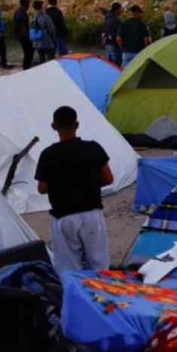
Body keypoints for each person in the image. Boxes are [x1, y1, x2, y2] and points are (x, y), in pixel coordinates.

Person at [35, 106, 114, 274]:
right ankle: (101, 297)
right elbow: (108, 178)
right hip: (92, 213)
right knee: (99, 264)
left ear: (53, 126)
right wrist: (87, 183)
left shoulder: (48, 154)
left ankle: (74, 297)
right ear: (77, 124)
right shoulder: (93, 148)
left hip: (64, 216)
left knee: (69, 268)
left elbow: (42, 188)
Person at [30, 0, 57, 64]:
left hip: (36, 42)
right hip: (47, 41)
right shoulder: (45, 17)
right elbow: (52, 29)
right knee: (51, 60)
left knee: (41, 59)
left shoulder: (32, 17)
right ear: (41, 7)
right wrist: (54, 39)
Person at [13, 0, 34, 70]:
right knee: (29, 52)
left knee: (28, 52)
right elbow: (23, 26)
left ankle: (26, 67)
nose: (29, 5)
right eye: (28, 3)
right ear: (25, 4)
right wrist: (28, 37)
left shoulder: (18, 11)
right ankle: (26, 68)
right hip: (24, 36)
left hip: (20, 36)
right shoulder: (22, 13)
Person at [102, 2, 122, 67]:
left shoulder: (107, 18)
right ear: (117, 10)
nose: (121, 11)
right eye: (120, 10)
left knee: (109, 65)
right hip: (114, 45)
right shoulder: (116, 20)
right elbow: (118, 34)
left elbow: (104, 31)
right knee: (116, 65)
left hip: (108, 44)